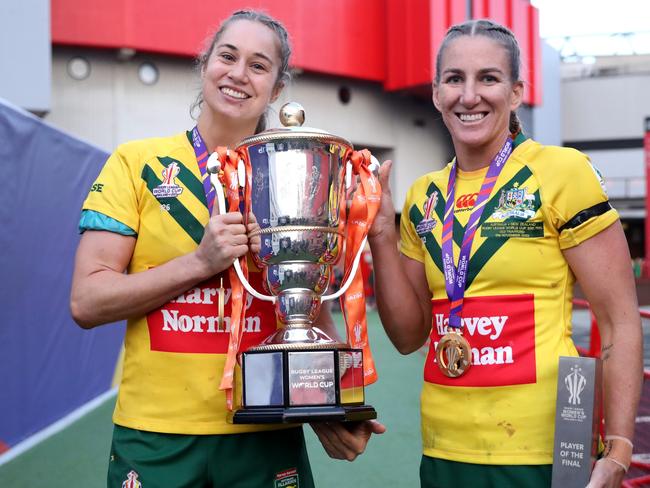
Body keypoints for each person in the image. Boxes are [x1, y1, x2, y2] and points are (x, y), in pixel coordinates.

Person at [70, 10, 382, 487]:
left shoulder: (292, 173)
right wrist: (199, 263)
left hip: (264, 429)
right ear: (205, 64)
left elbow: (302, 301)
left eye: (259, 66)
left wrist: (326, 408)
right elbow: (87, 301)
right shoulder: (137, 163)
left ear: (277, 88)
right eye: (228, 56)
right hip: (157, 434)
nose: (238, 74)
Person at [368, 19, 643, 488]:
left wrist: (618, 450)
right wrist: (379, 232)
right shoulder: (423, 196)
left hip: (547, 449)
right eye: (454, 79)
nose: (469, 95)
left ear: (515, 92)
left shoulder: (562, 171)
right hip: (445, 449)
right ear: (436, 93)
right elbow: (408, 335)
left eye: (488, 79)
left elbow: (618, 321)